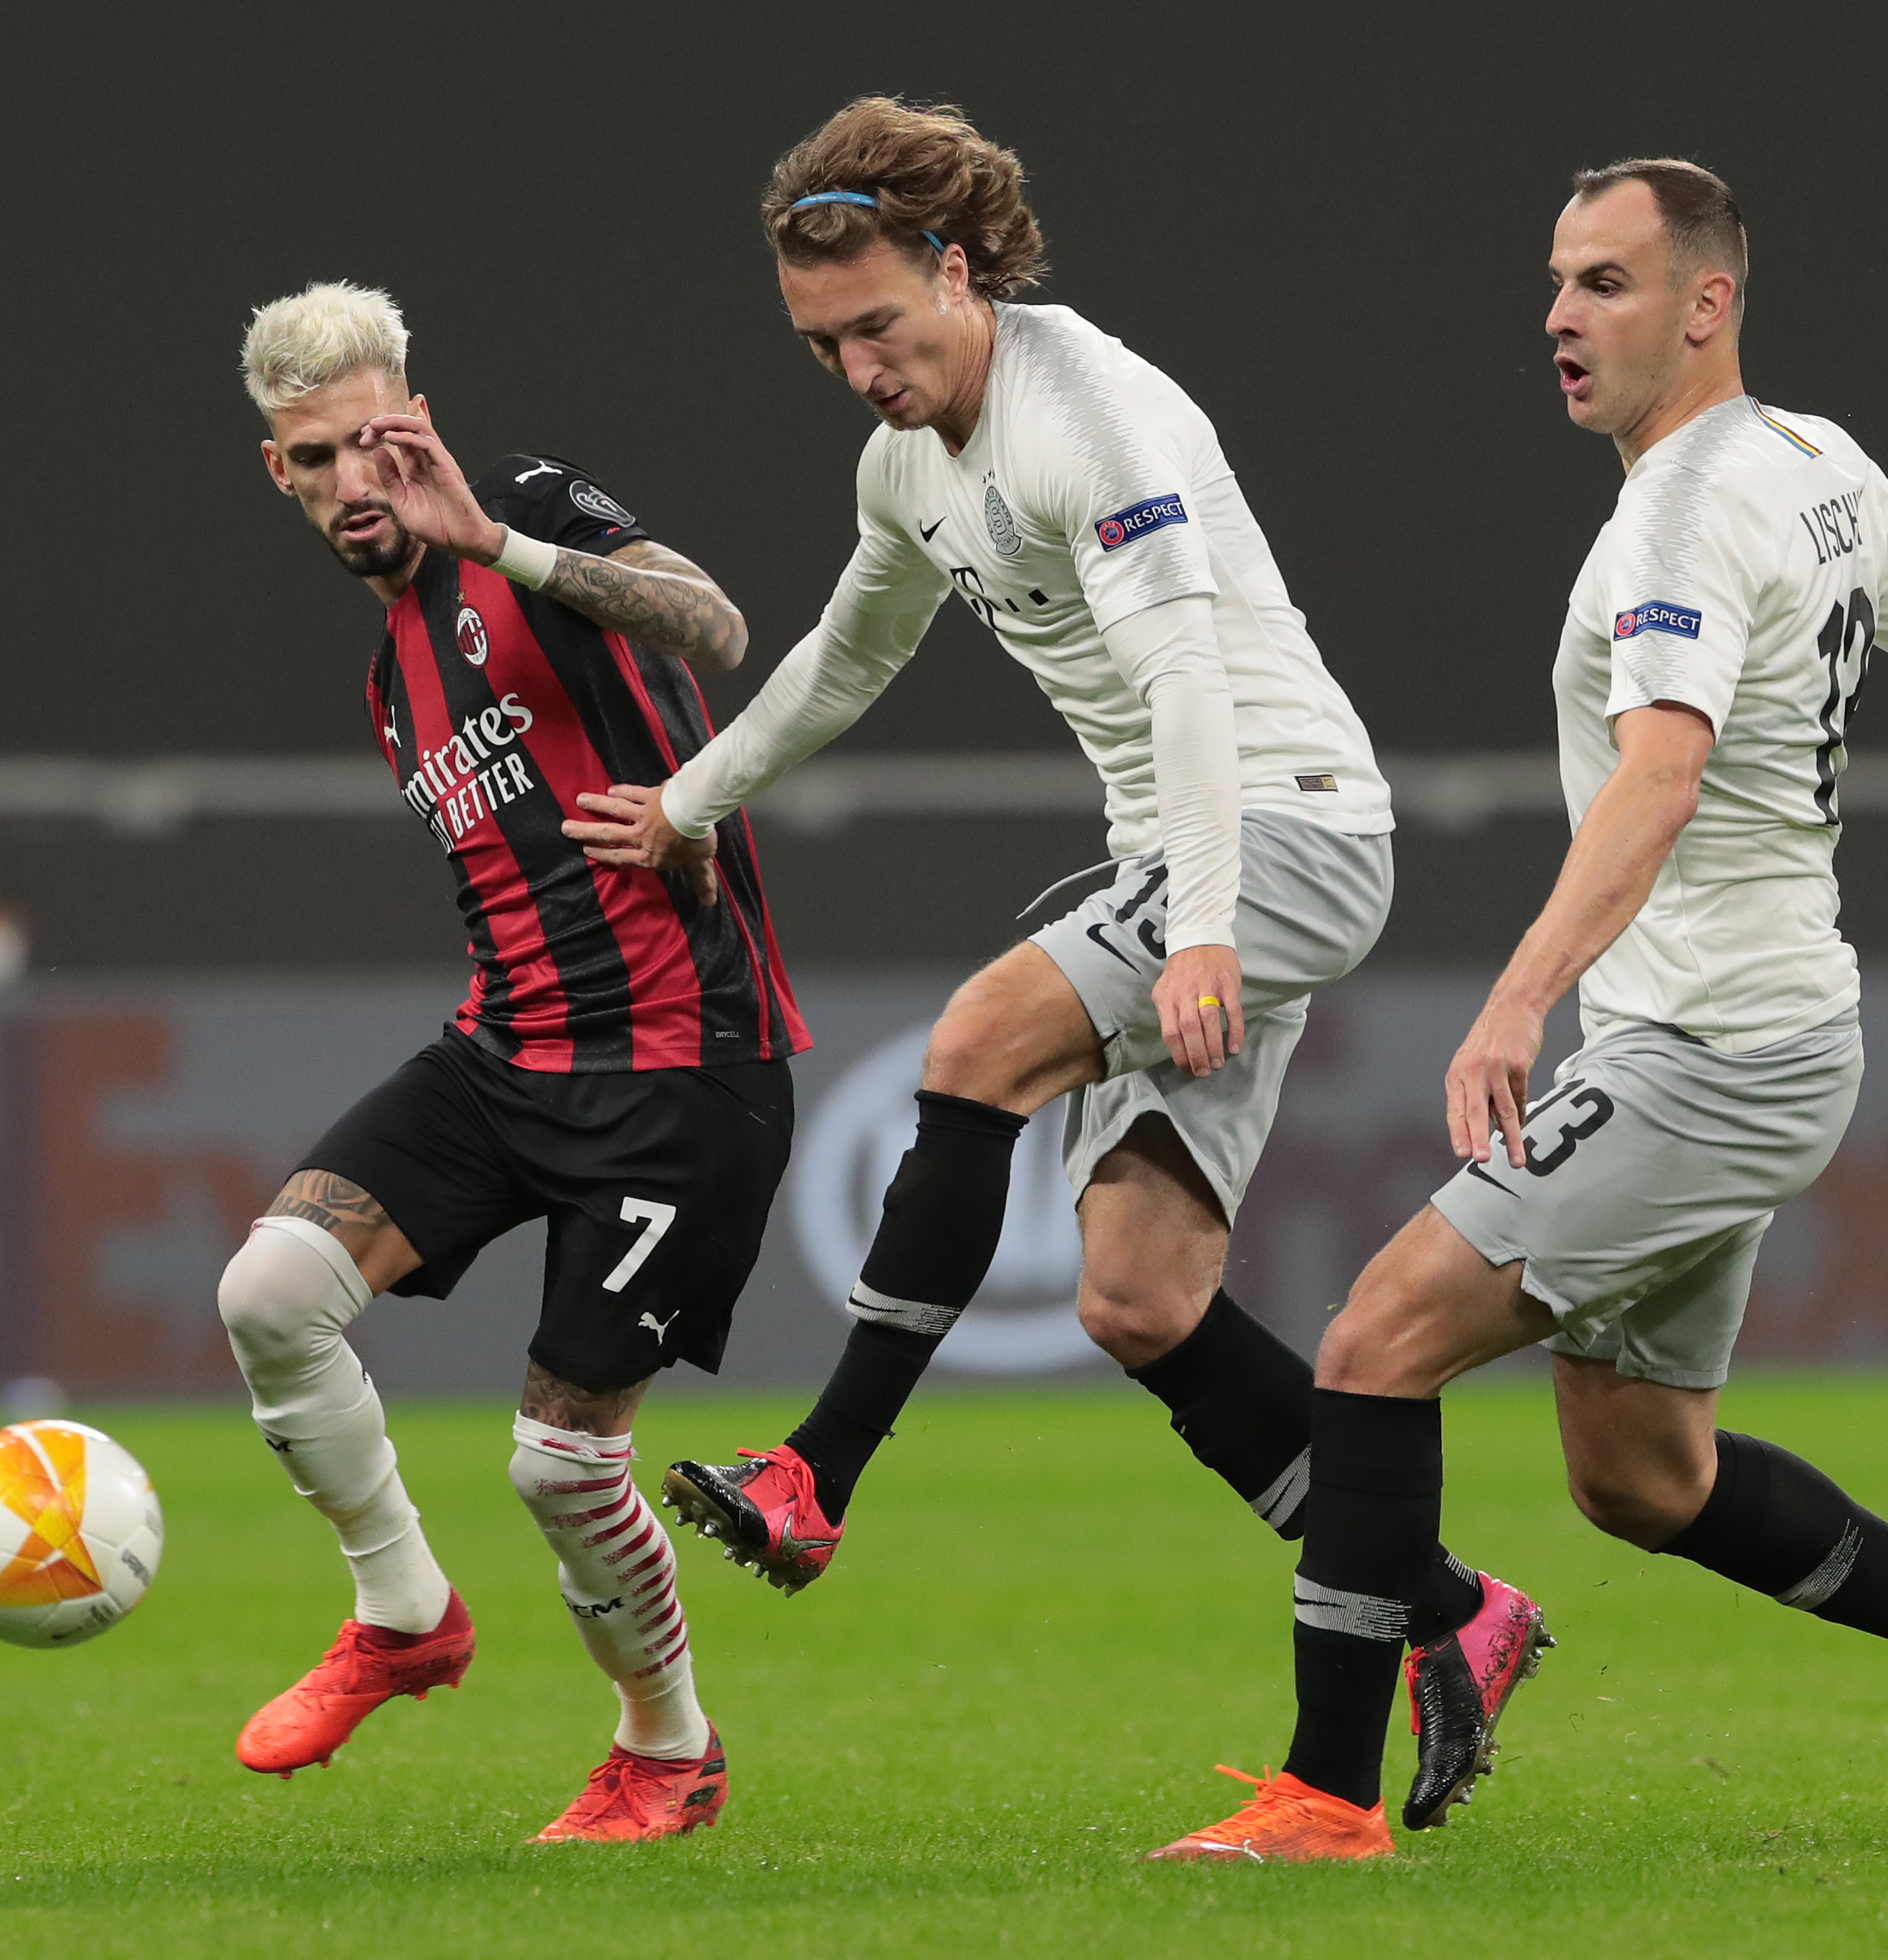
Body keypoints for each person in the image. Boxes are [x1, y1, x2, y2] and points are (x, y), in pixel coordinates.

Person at [1154, 160, 1888, 1863]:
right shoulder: (1820, 468)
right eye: (1556, 280)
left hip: (1710, 1053)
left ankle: (1326, 1795)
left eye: (1604, 282)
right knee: (1642, 1477)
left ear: (1706, 303)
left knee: (1376, 1343)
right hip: (1765, 1035)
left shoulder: (1679, 517)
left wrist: (1517, 998)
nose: (1559, 316)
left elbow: (1661, 776)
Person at [577, 99, 1551, 1831]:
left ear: (958, 270)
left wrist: (1200, 926)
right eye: (824, 344)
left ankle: (818, 1470)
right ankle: (1451, 1606)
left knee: (975, 1041)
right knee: (1140, 1299)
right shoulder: (904, 464)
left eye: (880, 324)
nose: (860, 368)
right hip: (1192, 858)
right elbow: (843, 658)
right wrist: (689, 801)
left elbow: (1184, 673)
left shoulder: (1087, 412)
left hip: (1281, 832)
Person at [219, 280, 807, 1844]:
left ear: (418, 420)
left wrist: (498, 539)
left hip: (683, 1073)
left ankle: (667, 1748)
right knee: (268, 1294)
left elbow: (717, 625)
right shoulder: (387, 677)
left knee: (560, 1465)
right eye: (313, 459)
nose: (353, 481)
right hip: (504, 1056)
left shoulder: (526, 512)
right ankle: (404, 1614)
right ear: (278, 471)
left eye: (374, 441)